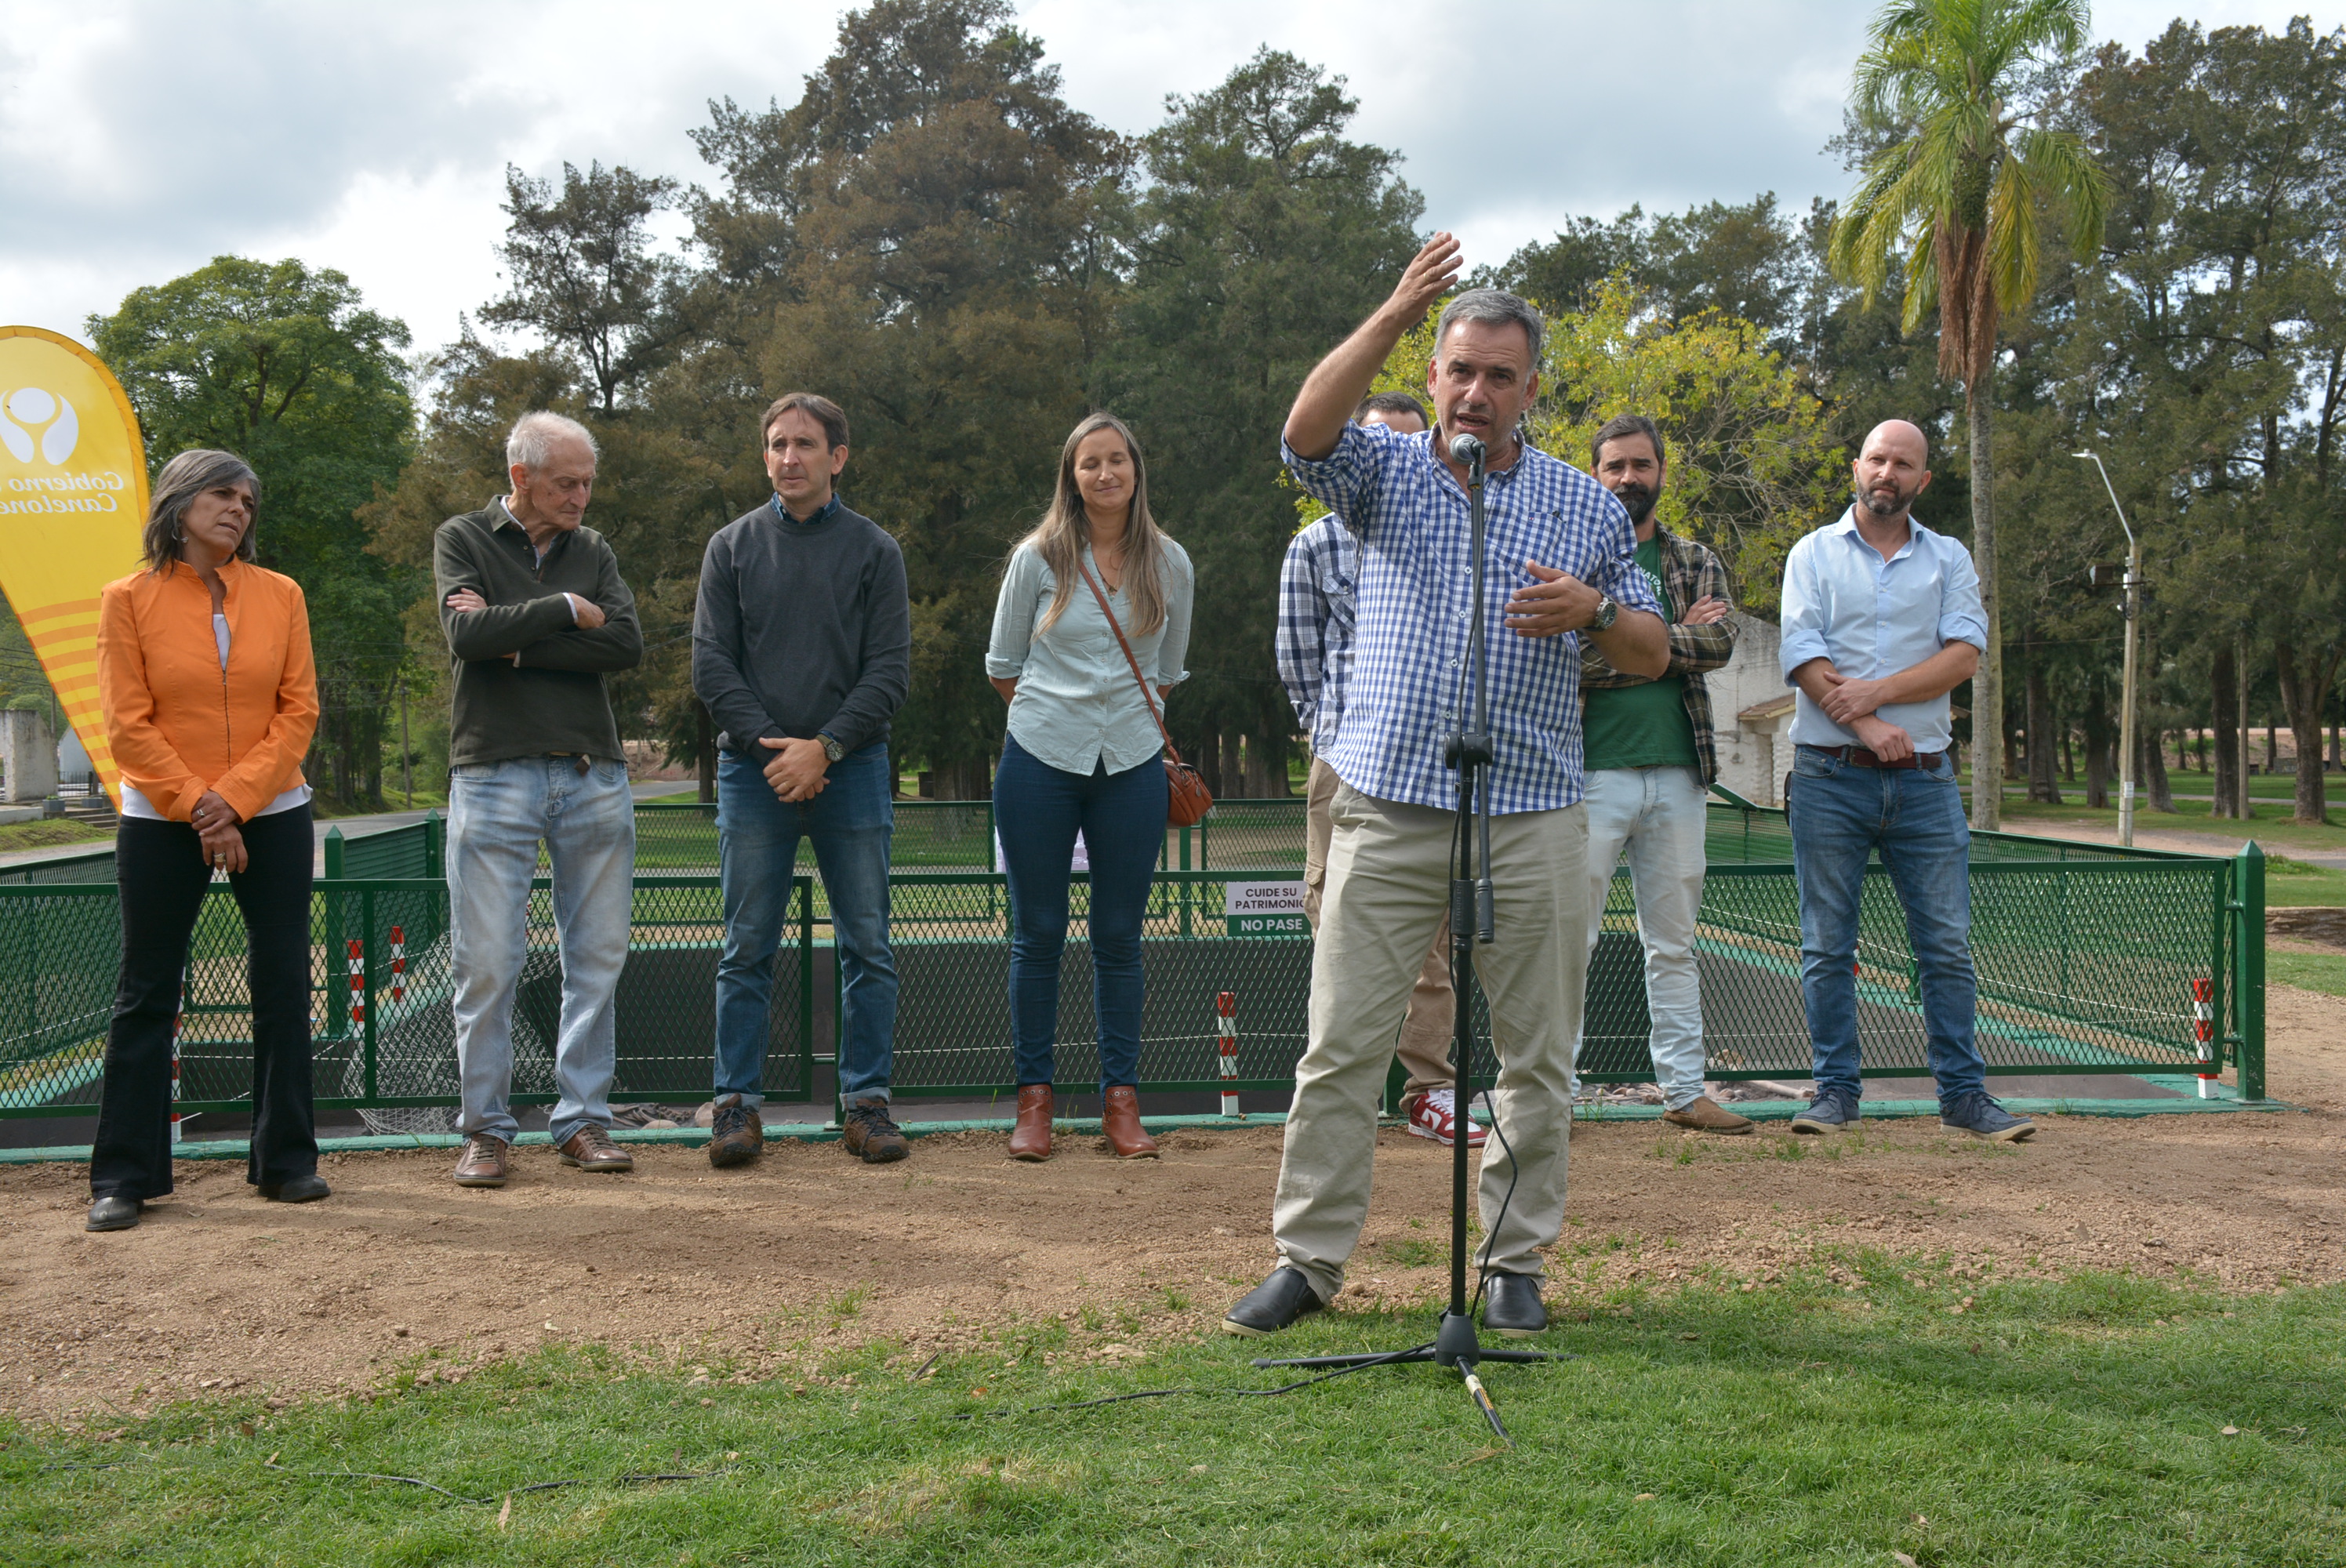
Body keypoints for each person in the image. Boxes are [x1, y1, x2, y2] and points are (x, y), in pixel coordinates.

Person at [1224, 240, 1667, 1340]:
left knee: (1536, 1051)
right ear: (1432, 375)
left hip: (1532, 809)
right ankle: (1309, 1260)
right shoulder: (1384, 475)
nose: (1476, 392)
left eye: (1499, 376)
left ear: (1530, 390)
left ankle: (1515, 1264)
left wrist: (1597, 617)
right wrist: (1389, 311)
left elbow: (1658, 650)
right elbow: (1302, 434)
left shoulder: (1585, 506)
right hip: (1386, 798)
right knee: (1342, 1044)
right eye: (1459, 370)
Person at [86, 449, 325, 1232]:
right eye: (224, 494)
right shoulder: (126, 599)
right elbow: (128, 723)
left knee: (285, 981)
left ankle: (287, 1160)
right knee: (148, 990)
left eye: (250, 502)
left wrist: (237, 799)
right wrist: (200, 806)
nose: (239, 510)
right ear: (180, 501)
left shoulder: (282, 594)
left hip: (275, 810)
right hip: (161, 817)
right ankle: (124, 1174)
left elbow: (298, 712)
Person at [1779, 419, 2032, 1142]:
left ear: (1924, 480)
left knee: (1946, 945)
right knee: (1828, 945)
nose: (1888, 472)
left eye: (1905, 464)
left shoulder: (1948, 559)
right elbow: (1801, 652)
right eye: (1878, 459)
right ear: (1856, 467)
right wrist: (1866, 725)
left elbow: (1963, 658)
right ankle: (1835, 1095)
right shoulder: (1813, 554)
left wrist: (1876, 693)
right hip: (1831, 777)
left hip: (1925, 783)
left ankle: (1963, 1097)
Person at [695, 393, 912, 1167]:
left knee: (869, 944)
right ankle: (735, 1108)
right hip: (752, 775)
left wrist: (824, 747)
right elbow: (711, 665)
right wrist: (771, 748)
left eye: (805, 444)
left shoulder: (874, 550)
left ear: (837, 456)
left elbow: (889, 671)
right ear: (765, 456)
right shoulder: (730, 548)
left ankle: (866, 1105)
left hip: (852, 770)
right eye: (778, 444)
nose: (790, 457)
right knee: (746, 946)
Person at [437, 411, 645, 1189]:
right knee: (487, 960)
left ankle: (582, 1120)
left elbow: (624, 644)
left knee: (596, 957)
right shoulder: (462, 536)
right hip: (493, 771)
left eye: (588, 481)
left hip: (593, 773)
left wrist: (515, 641)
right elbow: (464, 639)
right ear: (521, 476)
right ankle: (486, 1130)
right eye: (567, 482)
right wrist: (564, 610)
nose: (582, 496)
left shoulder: (593, 549)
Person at [1276, 390, 1484, 1150]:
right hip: (1345, 763)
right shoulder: (1315, 545)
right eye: (1378, 445)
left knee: (1434, 933)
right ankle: (1343, 1097)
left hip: (1438, 761)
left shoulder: (1462, 531)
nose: (1397, 460)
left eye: (1409, 442)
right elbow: (1299, 664)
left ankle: (1429, 1086)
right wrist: (1335, 741)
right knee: (1336, 922)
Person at [984, 412, 1194, 1163]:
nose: (1105, 475)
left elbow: (1168, 673)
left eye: (1117, 462)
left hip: (1133, 765)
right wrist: (1059, 722)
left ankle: (1120, 1103)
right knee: (1036, 936)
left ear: (1136, 471)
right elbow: (1002, 665)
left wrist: (1117, 728)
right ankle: (1034, 1103)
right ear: (1070, 478)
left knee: (1120, 939)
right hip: (1040, 761)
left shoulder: (1171, 564)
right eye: (1089, 465)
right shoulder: (1038, 559)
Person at [1577, 414, 1752, 1134]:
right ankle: (1546, 1097)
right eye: (1614, 466)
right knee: (1567, 943)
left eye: (1639, 465)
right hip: (1587, 776)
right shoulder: (1572, 561)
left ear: (1661, 472)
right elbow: (1563, 661)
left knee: (1672, 944)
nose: (1627, 478)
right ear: (1596, 475)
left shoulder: (1695, 557)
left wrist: (1621, 639)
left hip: (1681, 774)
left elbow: (1718, 642)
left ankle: (1685, 1092)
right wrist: (1661, 639)